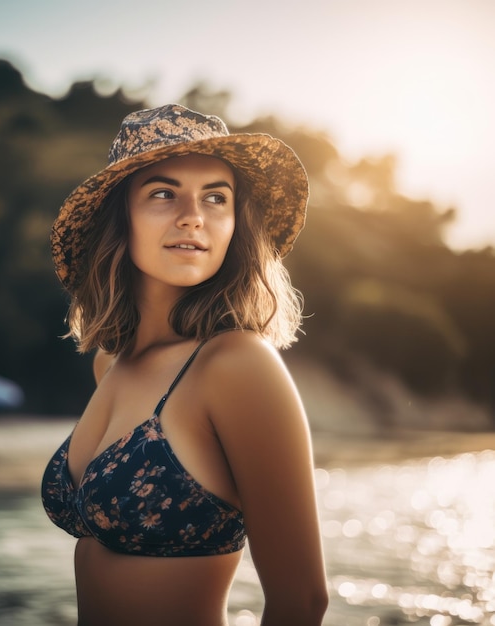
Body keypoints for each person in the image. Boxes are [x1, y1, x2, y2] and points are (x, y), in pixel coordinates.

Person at [41, 103, 328, 626]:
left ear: (235, 222)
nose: (192, 214)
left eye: (215, 197)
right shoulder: (111, 362)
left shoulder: (237, 364)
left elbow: (302, 602)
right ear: (120, 216)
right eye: (162, 193)